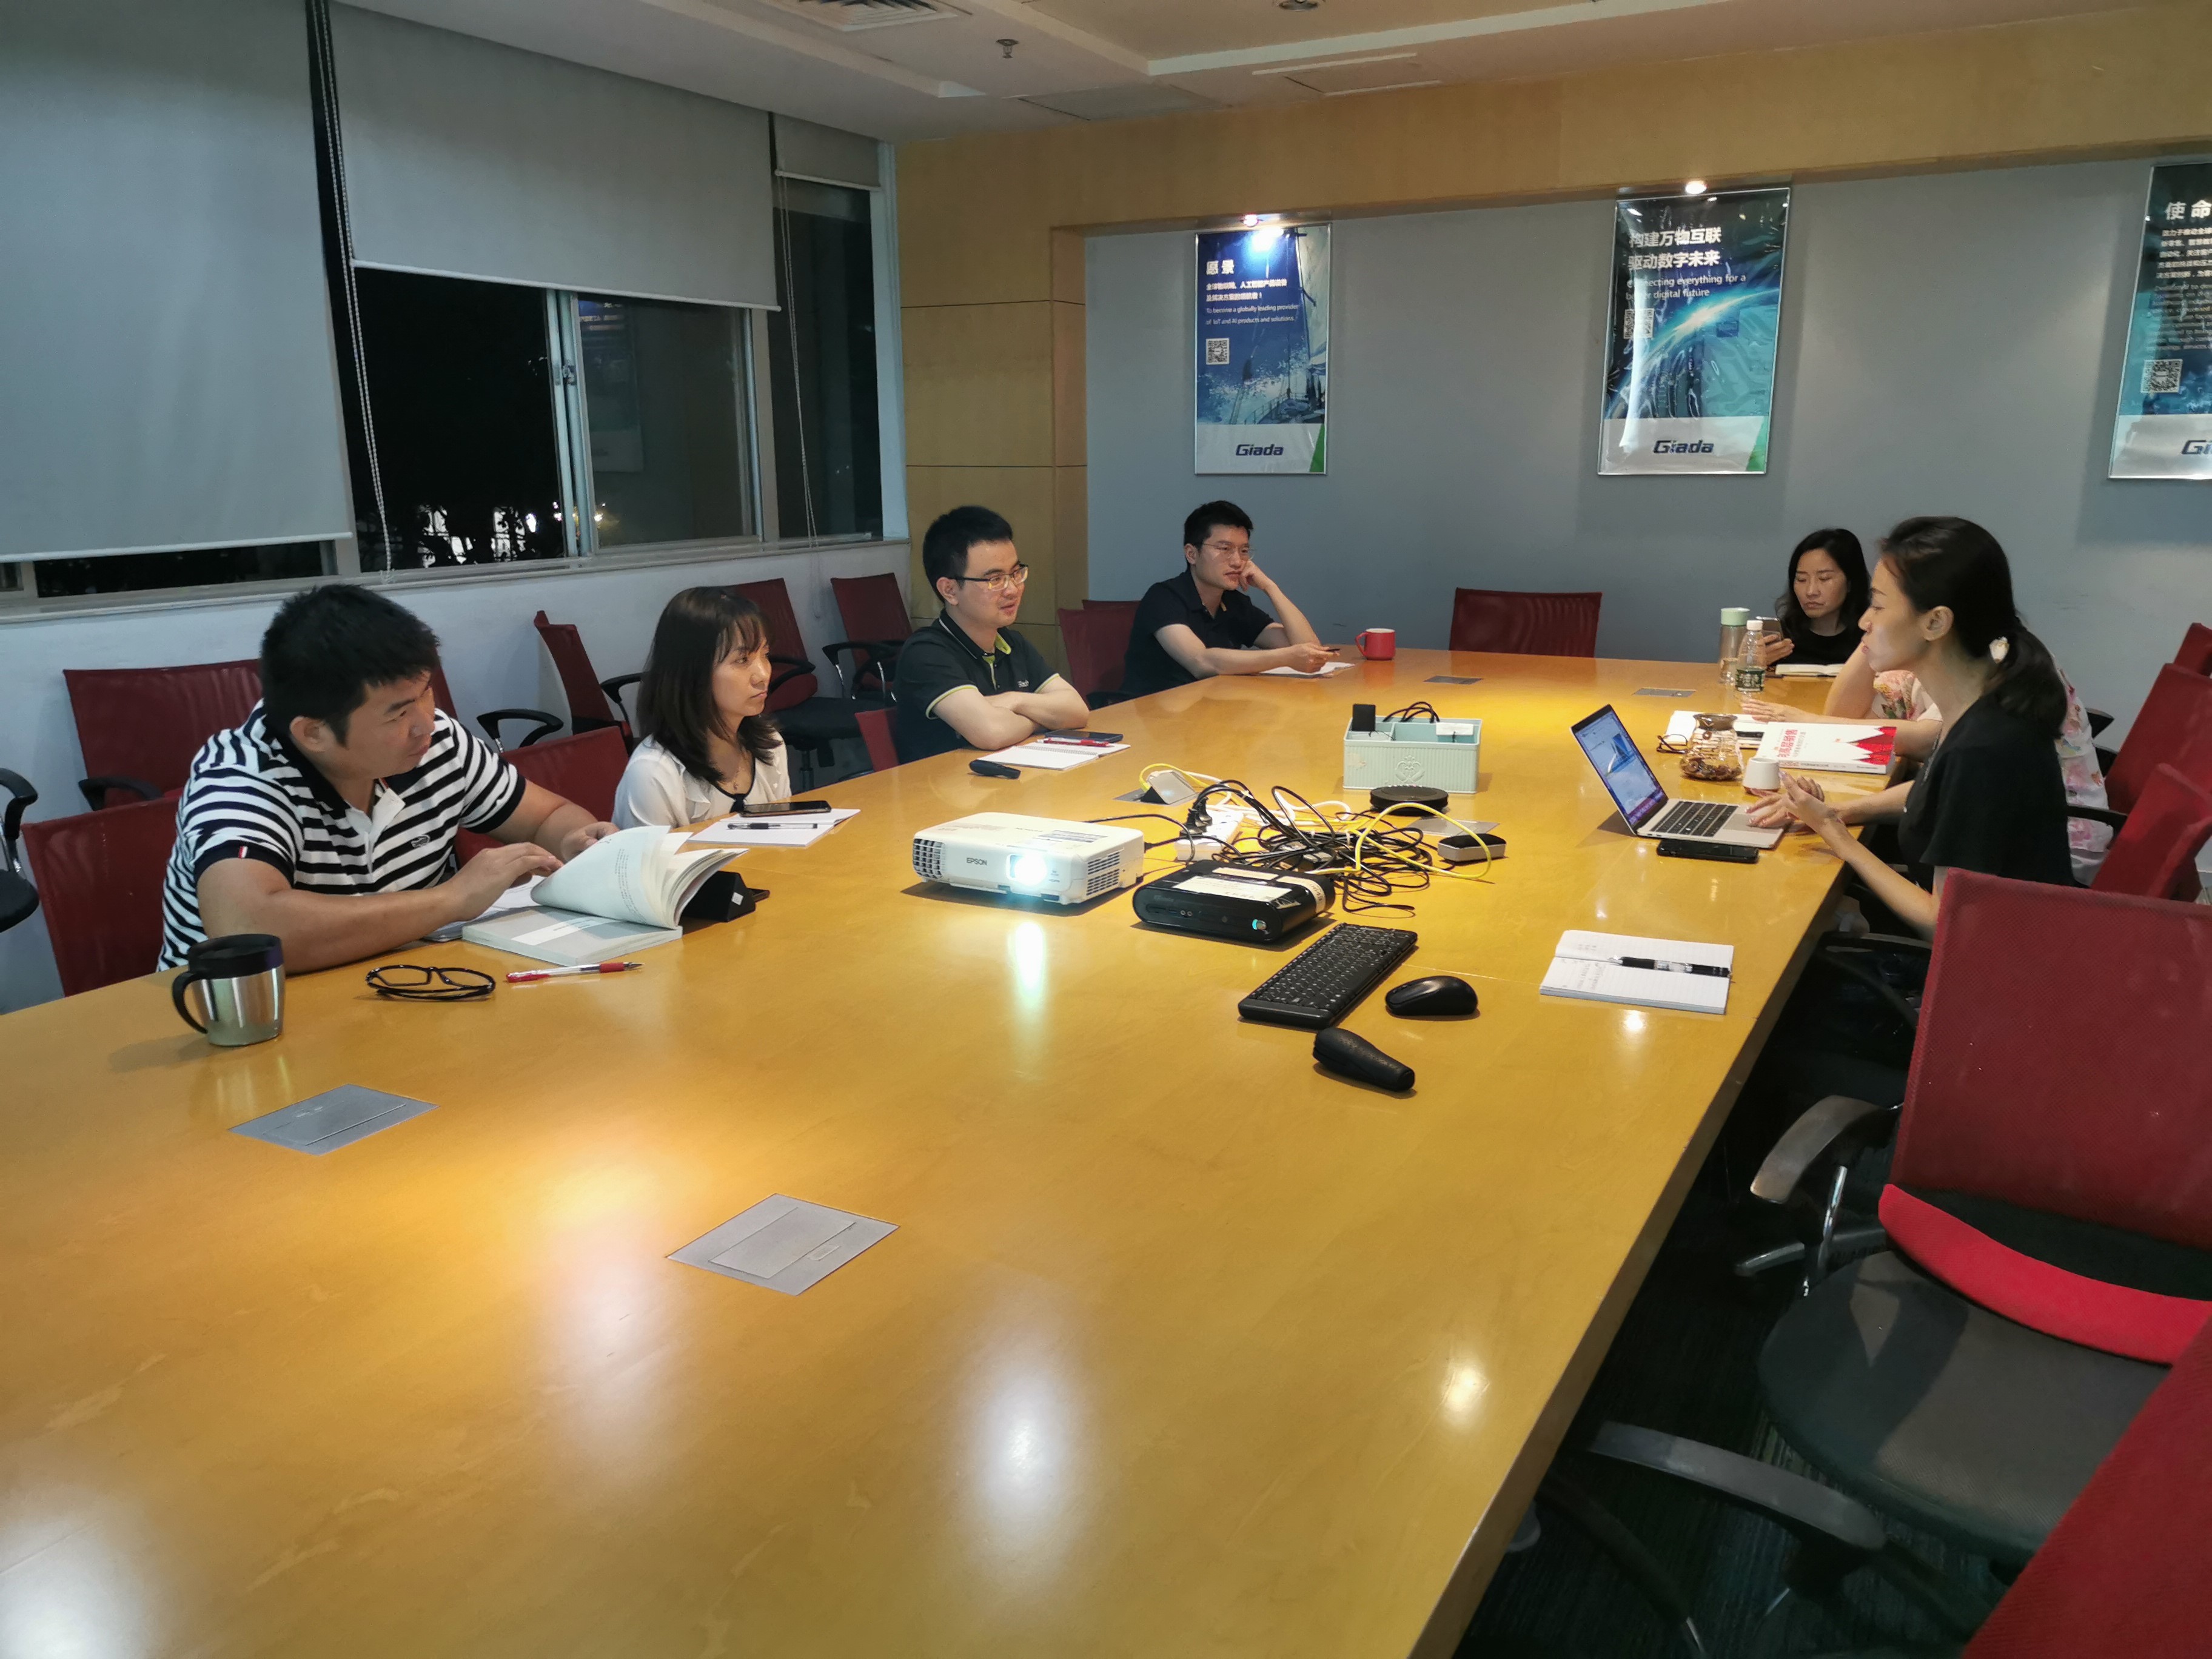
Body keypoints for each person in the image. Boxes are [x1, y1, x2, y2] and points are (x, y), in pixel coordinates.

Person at [161, 585, 619, 973]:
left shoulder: (437, 742)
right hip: (243, 1022)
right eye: (398, 714)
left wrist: (573, 842)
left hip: (401, 985)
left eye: (426, 693)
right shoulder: (243, 780)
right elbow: (249, 929)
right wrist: (453, 899)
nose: (425, 723)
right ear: (314, 733)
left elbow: (546, 817)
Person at [1748, 516, 2074, 936]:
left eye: (1879, 606)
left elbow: (1944, 926)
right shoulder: (1976, 705)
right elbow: (1940, 793)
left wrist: (1836, 836)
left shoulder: (1983, 747)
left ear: (1935, 623)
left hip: (1983, 965)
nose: (1864, 622)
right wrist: (1836, 813)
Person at [891, 506, 1091, 762]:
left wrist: (1014, 701)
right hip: (946, 784)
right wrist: (1044, 720)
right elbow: (992, 733)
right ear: (950, 590)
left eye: (1016, 573)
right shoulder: (927, 653)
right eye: (995, 580)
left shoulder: (1011, 643)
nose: (1013, 589)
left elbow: (1076, 710)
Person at [1118, 501, 1335, 698]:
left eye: (1244, 550)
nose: (1237, 561)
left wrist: (1271, 588)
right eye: (1225, 549)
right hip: (1152, 716)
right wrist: (1287, 657)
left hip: (1210, 712)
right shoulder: (1163, 597)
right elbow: (1202, 662)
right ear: (1192, 554)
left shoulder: (1233, 602)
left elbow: (1309, 649)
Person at [614, 588, 791, 828]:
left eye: (766, 655)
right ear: (693, 672)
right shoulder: (653, 774)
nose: (763, 675)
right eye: (742, 660)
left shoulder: (770, 744)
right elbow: (649, 855)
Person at [1755, 529, 1869, 668]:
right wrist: (1755, 664)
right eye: (1802, 579)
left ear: (1850, 583)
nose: (1810, 592)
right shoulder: (1781, 643)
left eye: (1824, 578)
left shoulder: (1870, 641)